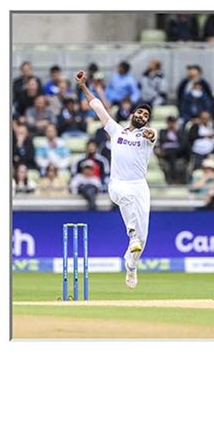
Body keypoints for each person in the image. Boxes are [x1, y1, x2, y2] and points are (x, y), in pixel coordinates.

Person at [77, 71, 156, 290]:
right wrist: (83, 86)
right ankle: (131, 236)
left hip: (140, 186)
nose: (141, 116)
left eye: (145, 115)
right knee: (131, 217)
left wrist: (149, 133)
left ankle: (131, 266)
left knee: (144, 237)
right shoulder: (116, 131)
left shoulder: (147, 136)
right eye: (139, 112)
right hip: (118, 184)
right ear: (132, 114)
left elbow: (151, 135)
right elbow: (98, 107)